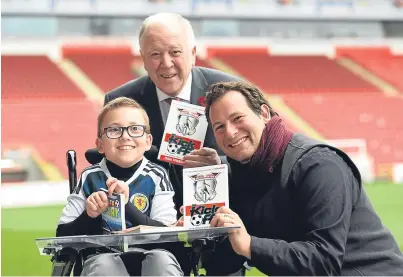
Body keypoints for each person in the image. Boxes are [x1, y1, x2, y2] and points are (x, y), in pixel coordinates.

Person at [204, 81, 403, 275]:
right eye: (219, 127)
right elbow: (229, 258)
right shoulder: (244, 173)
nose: (229, 132)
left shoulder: (319, 165)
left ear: (264, 113)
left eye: (237, 118)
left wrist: (250, 245)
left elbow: (324, 262)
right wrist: (199, 230)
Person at [57, 97, 183, 276]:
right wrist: (89, 215)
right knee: (102, 265)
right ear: (100, 145)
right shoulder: (89, 177)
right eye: (114, 130)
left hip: (152, 255)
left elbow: (166, 234)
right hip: (102, 257)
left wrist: (126, 205)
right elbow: (62, 235)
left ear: (148, 141)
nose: (125, 136)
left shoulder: (157, 175)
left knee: (161, 261)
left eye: (135, 129)